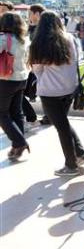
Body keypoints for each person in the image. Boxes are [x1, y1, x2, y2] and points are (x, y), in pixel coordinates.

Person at [29, 12, 84, 176]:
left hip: (50, 91)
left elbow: (36, 69)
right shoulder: (69, 37)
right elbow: (75, 61)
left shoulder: (39, 41)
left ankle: (71, 165)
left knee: (61, 126)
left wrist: (43, 80)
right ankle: (80, 153)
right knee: (63, 122)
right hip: (69, 88)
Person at [0, 12, 31, 161]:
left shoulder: (4, 39)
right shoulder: (24, 39)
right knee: (16, 113)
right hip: (21, 78)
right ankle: (17, 146)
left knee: (2, 114)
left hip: (6, 79)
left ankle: (20, 142)